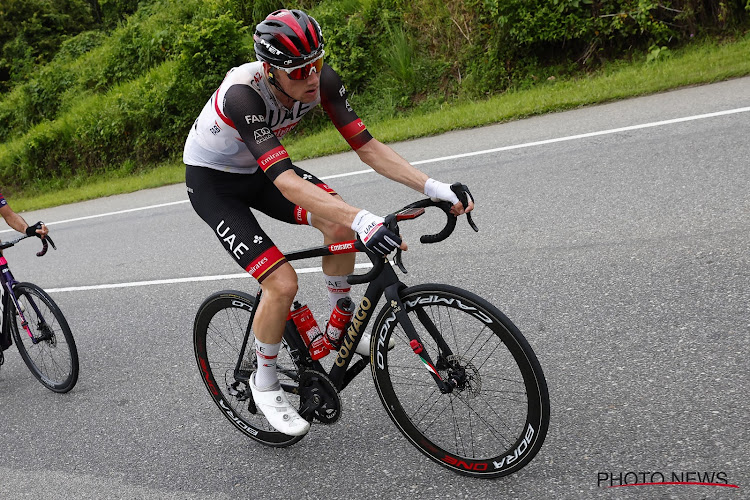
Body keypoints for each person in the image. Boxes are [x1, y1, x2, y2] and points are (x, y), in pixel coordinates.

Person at [183, 9, 474, 436]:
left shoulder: (323, 81)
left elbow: (368, 146)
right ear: (270, 70)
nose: (311, 78)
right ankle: (264, 383)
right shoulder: (243, 95)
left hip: (259, 173)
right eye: (299, 71)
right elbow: (286, 182)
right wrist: (363, 218)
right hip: (214, 186)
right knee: (281, 282)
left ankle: (340, 318)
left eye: (316, 64)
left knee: (338, 226)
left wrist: (433, 187)